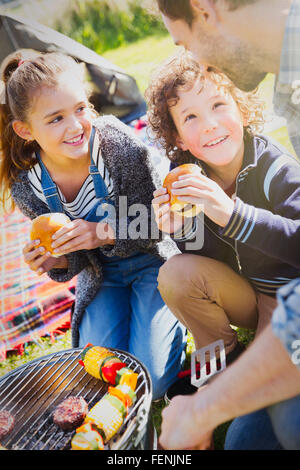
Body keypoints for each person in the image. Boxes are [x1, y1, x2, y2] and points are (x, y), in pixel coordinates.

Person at [0, 50, 186, 401]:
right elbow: (76, 261)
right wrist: (54, 261)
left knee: (152, 384)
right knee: (100, 381)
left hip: (153, 263)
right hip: (101, 274)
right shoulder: (27, 184)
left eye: (81, 109)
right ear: (25, 130)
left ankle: (171, 322)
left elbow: (160, 223)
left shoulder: (118, 147)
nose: (75, 126)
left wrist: (101, 231)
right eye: (55, 119)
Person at [145, 50, 300, 448]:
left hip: (287, 302)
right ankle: (224, 354)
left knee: (242, 442)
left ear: (243, 110)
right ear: (178, 137)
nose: (210, 124)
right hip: (245, 294)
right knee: (176, 272)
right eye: (191, 117)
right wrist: (179, 229)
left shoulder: (275, 169)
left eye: (218, 104)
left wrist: (231, 211)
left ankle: (244, 380)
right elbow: (208, 259)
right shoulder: (188, 179)